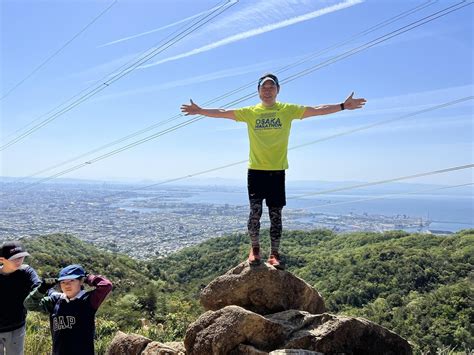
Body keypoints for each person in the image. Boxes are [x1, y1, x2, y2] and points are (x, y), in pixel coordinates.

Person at [181, 73, 366, 269]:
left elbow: (317, 110)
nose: (267, 90)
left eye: (271, 87)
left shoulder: (287, 110)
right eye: (264, 87)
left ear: (278, 90)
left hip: (277, 171)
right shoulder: (250, 112)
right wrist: (200, 110)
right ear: (258, 91)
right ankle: (255, 249)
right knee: (255, 214)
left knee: (275, 215)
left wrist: (343, 106)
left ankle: (274, 254)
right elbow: (223, 111)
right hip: (256, 171)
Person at [24, 264, 112, 355]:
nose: (67, 285)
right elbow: (29, 304)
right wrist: (42, 289)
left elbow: (106, 285)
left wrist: (88, 277)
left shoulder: (88, 300)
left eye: (72, 280)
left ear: (81, 281)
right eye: (63, 282)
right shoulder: (55, 300)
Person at [0, 241, 40, 355]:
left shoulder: (26, 272)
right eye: (14, 258)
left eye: (21, 257)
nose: (19, 261)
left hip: (16, 327)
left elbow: (38, 286)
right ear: (2, 260)